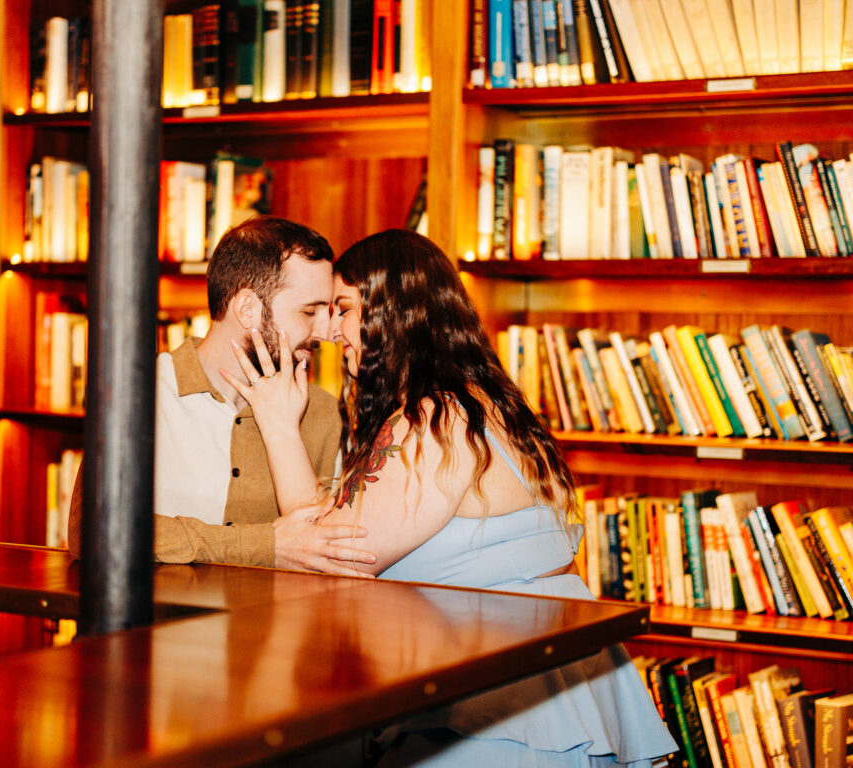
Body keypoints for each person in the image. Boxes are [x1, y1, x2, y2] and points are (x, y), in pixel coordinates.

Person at [221, 229, 678, 767]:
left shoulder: (434, 418)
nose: (327, 330)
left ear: (394, 310)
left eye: (343, 308)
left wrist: (278, 425)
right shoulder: (480, 404)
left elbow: (325, 554)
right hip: (543, 679)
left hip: (502, 702)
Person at [68, 216, 376, 575]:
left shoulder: (324, 412)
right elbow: (91, 531)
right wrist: (265, 547)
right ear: (247, 309)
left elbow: (327, 553)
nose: (326, 331)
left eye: (328, 312)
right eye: (308, 311)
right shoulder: (137, 392)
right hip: (157, 630)